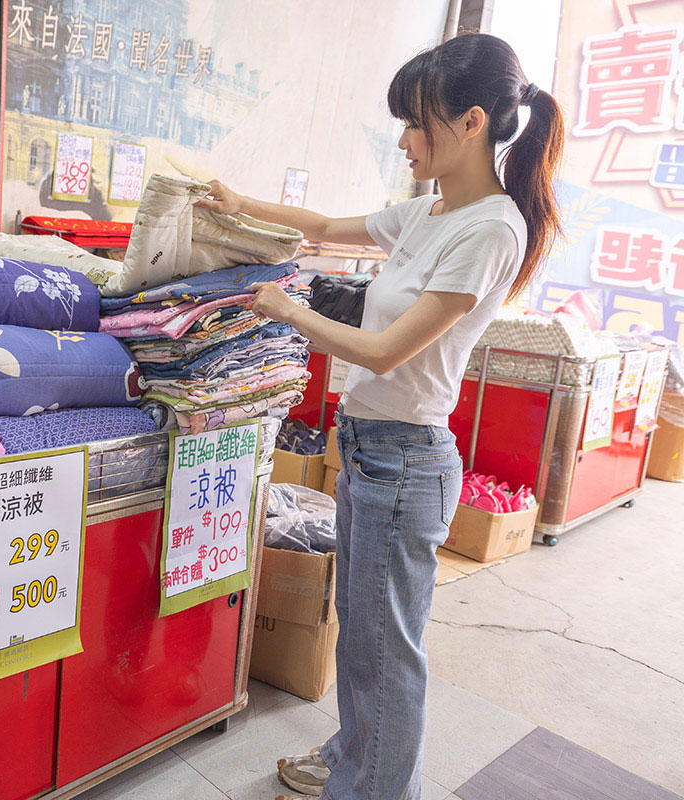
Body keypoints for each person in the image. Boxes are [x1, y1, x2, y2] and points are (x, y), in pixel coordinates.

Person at [197, 33, 564, 800]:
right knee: (362, 640)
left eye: (415, 122)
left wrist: (286, 308)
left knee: (386, 654)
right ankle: (352, 759)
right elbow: (328, 227)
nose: (403, 139)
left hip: (406, 463)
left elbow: (386, 352)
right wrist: (238, 204)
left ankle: (375, 788)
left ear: (470, 123)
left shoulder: (490, 229)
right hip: (368, 450)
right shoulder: (432, 210)